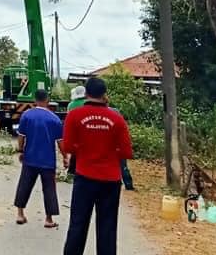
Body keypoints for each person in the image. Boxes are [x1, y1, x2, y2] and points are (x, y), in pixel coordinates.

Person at [62, 77, 133, 255]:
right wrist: (108, 152)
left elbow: (69, 147)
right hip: (110, 181)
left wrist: (85, 148)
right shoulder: (117, 119)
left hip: (85, 177)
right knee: (107, 228)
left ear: (86, 93)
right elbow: (126, 152)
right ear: (104, 94)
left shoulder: (74, 115)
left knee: (78, 224)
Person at [14, 89, 63, 228]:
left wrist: (21, 151)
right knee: (49, 189)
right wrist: (66, 157)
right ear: (47, 100)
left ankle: (20, 214)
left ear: (34, 101)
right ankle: (49, 219)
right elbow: (60, 142)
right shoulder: (54, 119)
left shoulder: (26, 115)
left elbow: (21, 136)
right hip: (48, 161)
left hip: (30, 158)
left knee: (24, 185)